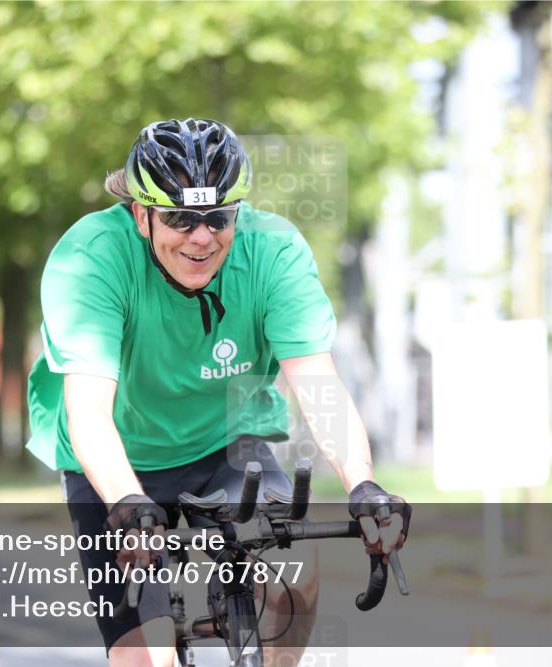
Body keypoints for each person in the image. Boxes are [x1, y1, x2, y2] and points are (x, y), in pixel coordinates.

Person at [26, 118, 411, 667]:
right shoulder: (91, 258)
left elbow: (317, 382)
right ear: (141, 214)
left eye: (217, 217)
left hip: (228, 442)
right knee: (146, 656)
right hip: (118, 456)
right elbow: (88, 411)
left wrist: (364, 483)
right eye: (180, 218)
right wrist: (126, 502)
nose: (201, 237)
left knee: (294, 581)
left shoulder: (273, 251)